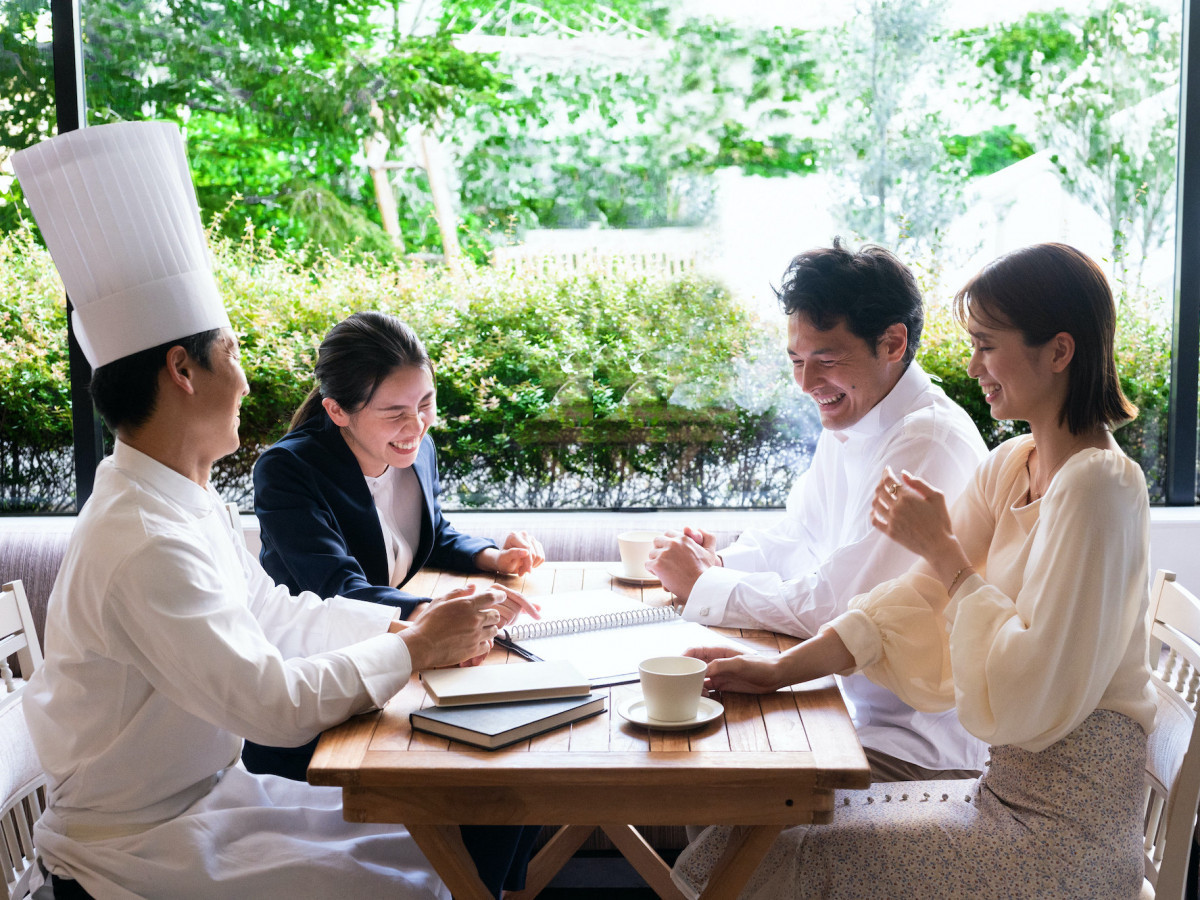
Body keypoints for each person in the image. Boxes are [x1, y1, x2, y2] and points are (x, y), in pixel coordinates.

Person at [14, 121, 525, 899]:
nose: (249, 383)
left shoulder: (178, 501)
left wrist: (408, 626)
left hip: (211, 804)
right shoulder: (143, 538)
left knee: (457, 830)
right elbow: (272, 704)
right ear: (182, 370)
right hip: (133, 845)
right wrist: (416, 646)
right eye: (236, 355)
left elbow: (276, 616)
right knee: (431, 877)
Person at [672, 242, 1156, 899]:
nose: (972, 364)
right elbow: (910, 600)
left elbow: (1032, 690)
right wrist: (780, 671)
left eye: (987, 344)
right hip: (1002, 792)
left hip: (1058, 835)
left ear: (1059, 351)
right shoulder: (1015, 463)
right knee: (735, 843)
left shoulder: (1099, 485)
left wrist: (946, 554)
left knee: (751, 859)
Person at [647, 239, 989, 782]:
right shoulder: (859, 414)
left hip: (911, 744)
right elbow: (800, 535)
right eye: (796, 361)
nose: (806, 384)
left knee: (714, 777)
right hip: (844, 708)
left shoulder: (924, 444)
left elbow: (839, 605)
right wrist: (717, 564)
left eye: (826, 361)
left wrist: (708, 587)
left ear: (893, 342)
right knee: (704, 755)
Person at [246, 310, 547, 894]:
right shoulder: (288, 470)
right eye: (395, 412)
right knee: (490, 774)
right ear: (337, 411)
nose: (417, 426)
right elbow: (334, 585)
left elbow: (426, 530)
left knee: (519, 751)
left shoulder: (415, 450)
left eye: (426, 403)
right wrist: (432, 617)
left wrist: (490, 556)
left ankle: (486, 890)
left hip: (400, 665)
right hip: (320, 688)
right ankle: (470, 887)